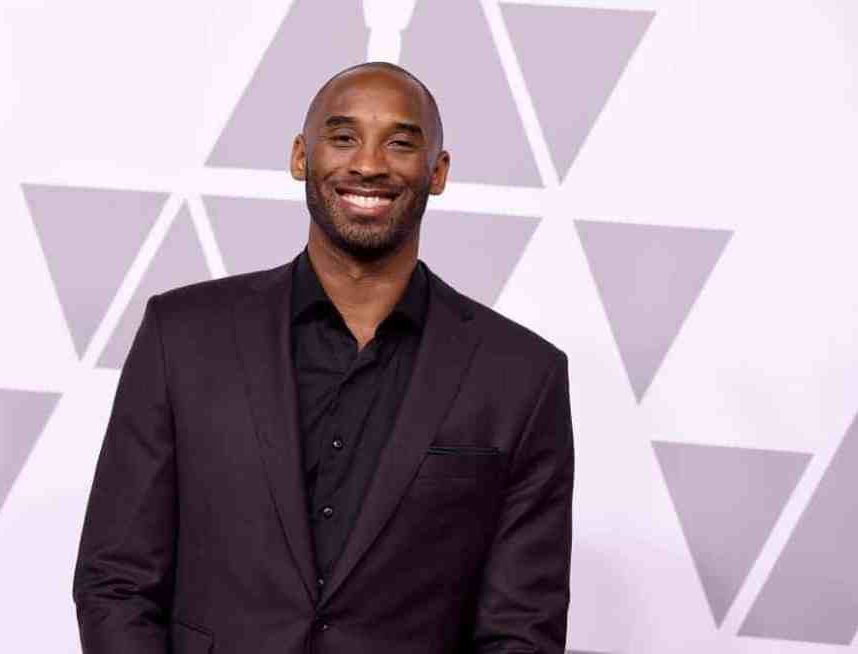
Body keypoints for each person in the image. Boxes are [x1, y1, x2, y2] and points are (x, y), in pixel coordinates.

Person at [73, 61, 574, 654]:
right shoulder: (182, 336)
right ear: (299, 158)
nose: (368, 163)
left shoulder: (521, 375)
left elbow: (522, 629)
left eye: (400, 143)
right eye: (342, 138)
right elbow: (116, 581)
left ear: (437, 172)